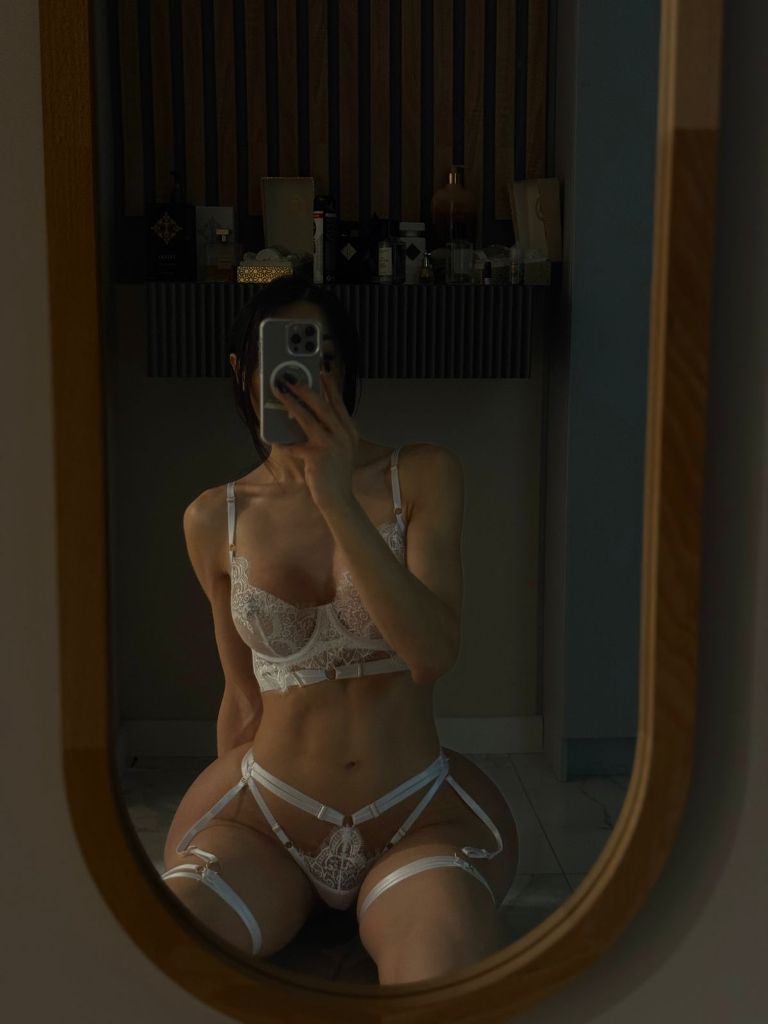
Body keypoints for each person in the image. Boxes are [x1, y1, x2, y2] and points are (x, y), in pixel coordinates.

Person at [160, 276, 519, 984]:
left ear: (346, 369)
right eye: (287, 358)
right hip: (270, 815)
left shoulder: (420, 475)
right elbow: (242, 695)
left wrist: (336, 499)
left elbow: (431, 653)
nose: (310, 378)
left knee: (435, 974)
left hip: (413, 814)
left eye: (325, 358)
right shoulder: (213, 517)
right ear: (243, 371)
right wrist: (226, 820)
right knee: (169, 959)